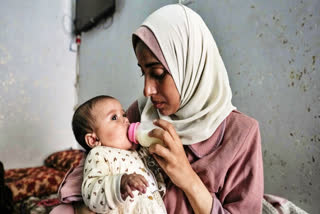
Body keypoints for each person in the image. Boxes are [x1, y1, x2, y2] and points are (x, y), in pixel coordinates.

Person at [51, 4, 263, 214]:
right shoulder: (143, 111)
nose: (147, 90)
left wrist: (188, 178)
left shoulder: (241, 134)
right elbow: (92, 170)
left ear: (189, 65)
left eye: (159, 73)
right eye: (144, 73)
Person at [72, 95, 166, 213]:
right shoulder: (99, 154)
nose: (126, 120)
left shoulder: (136, 152)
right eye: (114, 117)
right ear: (94, 140)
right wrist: (120, 183)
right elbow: (92, 192)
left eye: (124, 114)